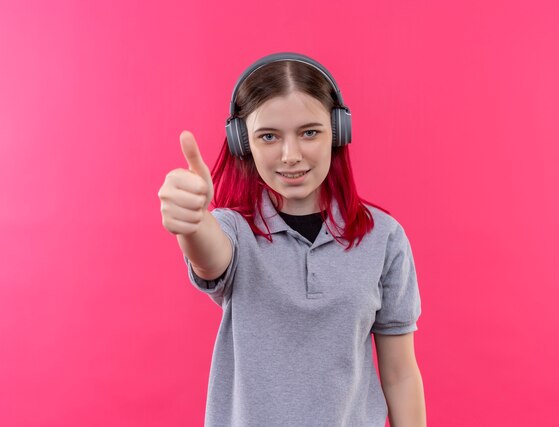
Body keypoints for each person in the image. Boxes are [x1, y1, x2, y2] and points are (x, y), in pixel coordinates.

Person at [158, 52, 426, 427]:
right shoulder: (233, 230)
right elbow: (209, 254)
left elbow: (400, 374)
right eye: (268, 136)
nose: (291, 155)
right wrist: (191, 222)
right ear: (242, 143)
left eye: (309, 132)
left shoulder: (384, 238)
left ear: (338, 131)